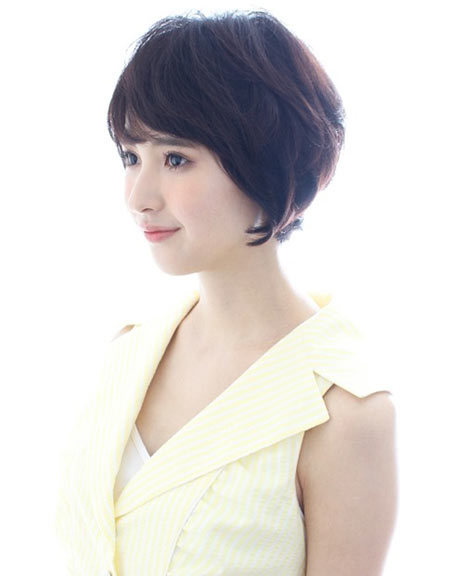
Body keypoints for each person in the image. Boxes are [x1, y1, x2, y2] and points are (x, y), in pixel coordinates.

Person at [54, 9, 398, 576]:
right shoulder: (128, 350)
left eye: (176, 159)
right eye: (131, 157)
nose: (139, 197)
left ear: (265, 164)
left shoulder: (343, 410)